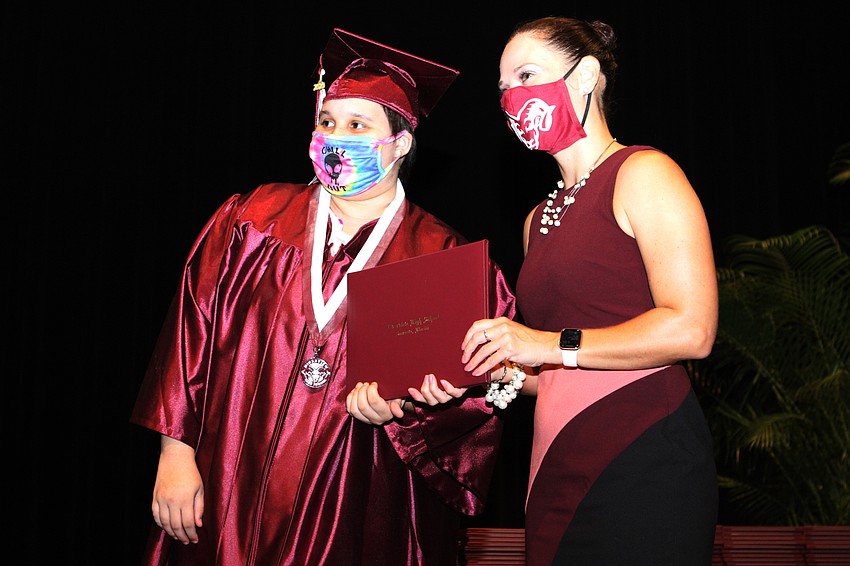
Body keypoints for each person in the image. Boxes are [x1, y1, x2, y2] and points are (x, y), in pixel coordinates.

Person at [131, 28, 516, 565]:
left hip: (361, 491)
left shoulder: (442, 258)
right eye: (327, 122)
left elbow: (482, 394)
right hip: (228, 478)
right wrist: (175, 452)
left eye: (359, 125)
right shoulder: (253, 220)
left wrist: (407, 409)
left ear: (400, 144)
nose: (337, 137)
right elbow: (190, 333)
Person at [461, 16, 719, 565]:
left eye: (528, 75)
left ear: (585, 77)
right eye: (504, 88)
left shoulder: (644, 172)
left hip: (642, 452)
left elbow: (692, 329)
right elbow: (557, 370)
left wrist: (545, 344)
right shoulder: (536, 219)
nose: (513, 98)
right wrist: (498, 370)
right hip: (553, 468)